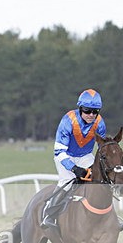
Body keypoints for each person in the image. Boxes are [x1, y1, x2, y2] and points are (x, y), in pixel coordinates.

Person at [41, 89, 111, 230]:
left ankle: (110, 216)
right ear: (80, 108)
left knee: (102, 181)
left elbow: (102, 147)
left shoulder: (100, 123)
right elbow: (59, 151)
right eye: (87, 111)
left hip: (85, 156)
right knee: (67, 182)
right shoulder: (68, 121)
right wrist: (74, 168)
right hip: (65, 156)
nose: (91, 115)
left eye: (95, 111)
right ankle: (49, 214)